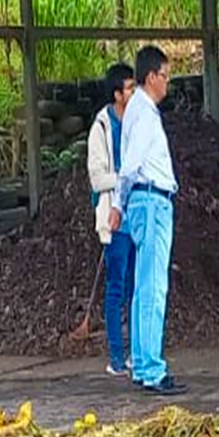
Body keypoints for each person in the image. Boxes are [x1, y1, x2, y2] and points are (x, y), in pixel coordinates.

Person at [110, 45, 185, 395]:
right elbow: (132, 163)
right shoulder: (143, 112)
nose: (167, 84)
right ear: (151, 76)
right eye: (165, 76)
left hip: (145, 201)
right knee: (154, 287)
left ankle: (142, 363)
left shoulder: (137, 111)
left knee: (143, 287)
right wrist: (117, 204)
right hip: (152, 199)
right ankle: (152, 368)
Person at [85, 62, 137, 376]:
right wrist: (125, 178)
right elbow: (97, 179)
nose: (134, 92)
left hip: (137, 216)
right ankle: (117, 357)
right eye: (130, 88)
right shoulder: (101, 128)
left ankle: (133, 353)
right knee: (117, 287)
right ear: (117, 94)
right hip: (116, 220)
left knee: (133, 287)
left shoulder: (135, 122)